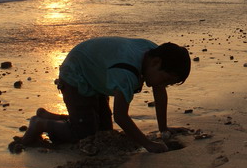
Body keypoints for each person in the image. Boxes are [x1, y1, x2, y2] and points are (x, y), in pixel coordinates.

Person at [12, 37, 191, 153]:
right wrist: (148, 144)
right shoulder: (126, 73)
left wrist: (164, 129)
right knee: (86, 133)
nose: (163, 85)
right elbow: (121, 117)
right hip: (76, 76)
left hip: (97, 76)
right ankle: (39, 124)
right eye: (166, 79)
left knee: (104, 131)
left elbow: (159, 94)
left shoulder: (153, 52)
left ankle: (47, 115)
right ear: (156, 62)